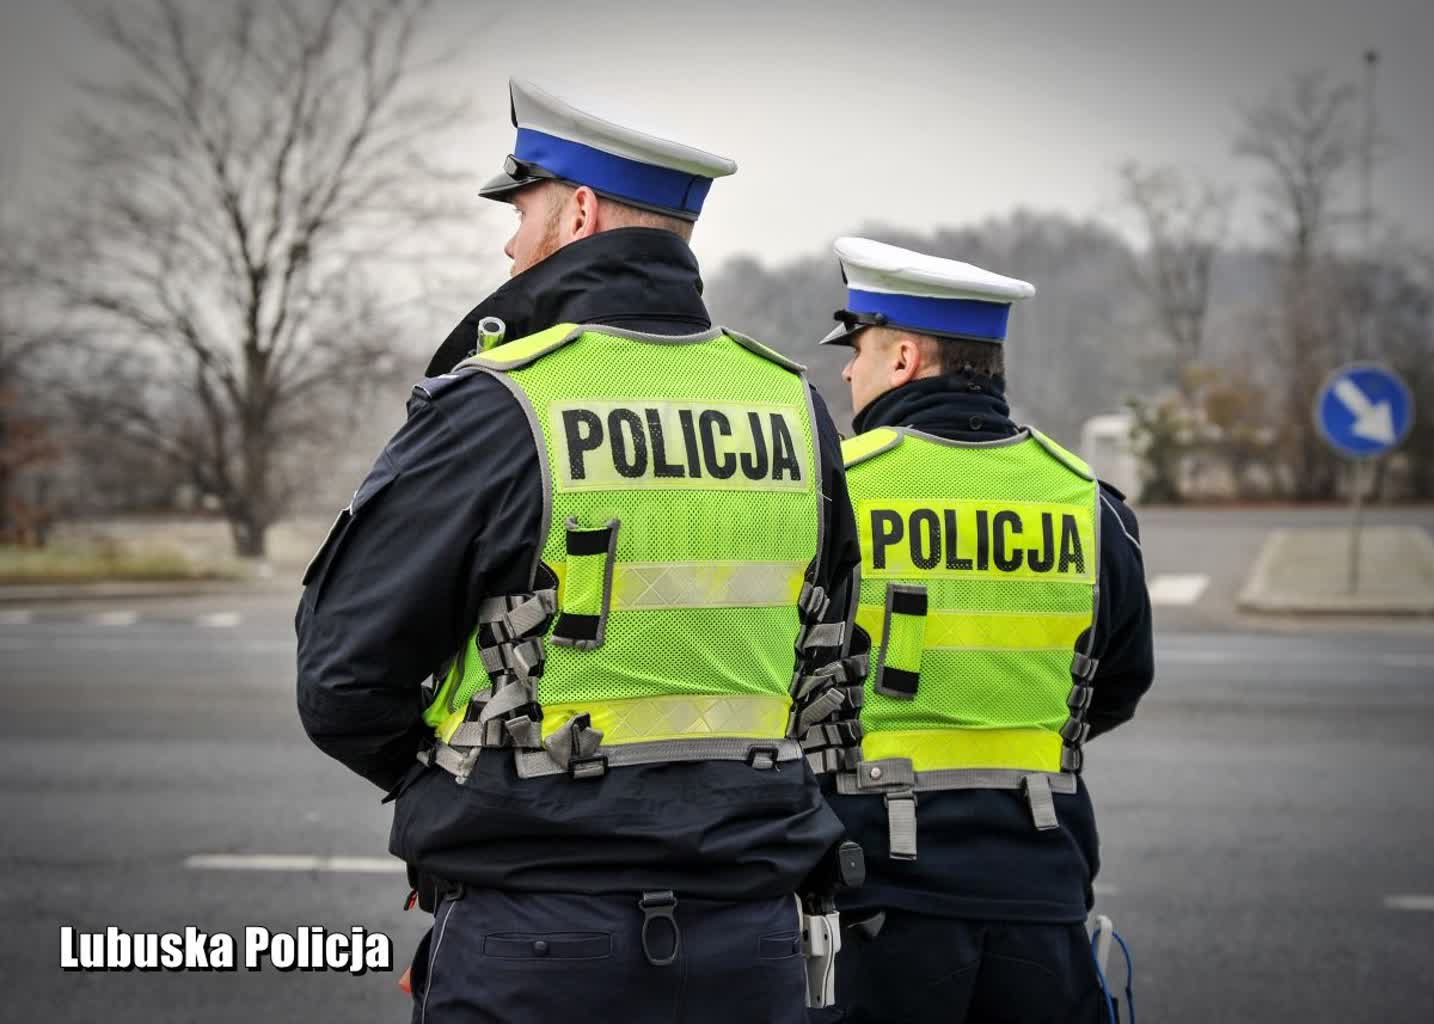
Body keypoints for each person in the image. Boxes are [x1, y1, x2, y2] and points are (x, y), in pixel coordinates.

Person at [295, 79, 863, 1024]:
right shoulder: (793, 407)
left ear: (582, 211)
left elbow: (343, 679)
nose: (510, 245)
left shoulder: (502, 404)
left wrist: (477, 782)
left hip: (538, 935)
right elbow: (835, 654)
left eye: (522, 212)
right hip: (753, 935)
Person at [809, 238, 1155, 1023]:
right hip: (1043, 895)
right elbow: (1119, 685)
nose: (848, 372)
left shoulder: (837, 491)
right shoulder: (1087, 503)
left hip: (875, 905)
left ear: (903, 357)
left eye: (857, 349)